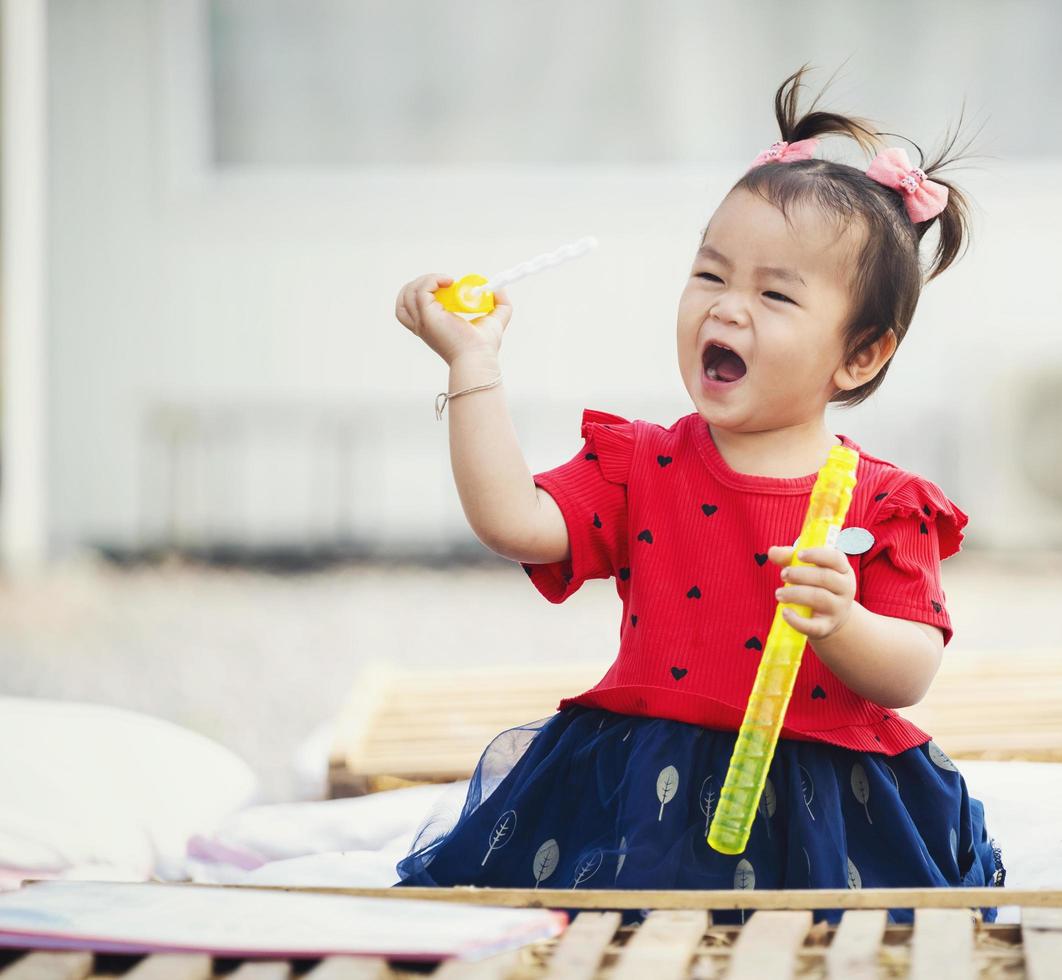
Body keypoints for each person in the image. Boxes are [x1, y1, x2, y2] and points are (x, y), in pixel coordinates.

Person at [390, 67, 1005, 923]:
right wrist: (473, 367)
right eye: (711, 276)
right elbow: (514, 522)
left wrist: (847, 624)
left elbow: (912, 672)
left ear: (860, 355)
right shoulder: (643, 465)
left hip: (828, 807)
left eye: (775, 292)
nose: (729, 308)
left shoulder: (884, 504)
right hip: (644, 794)